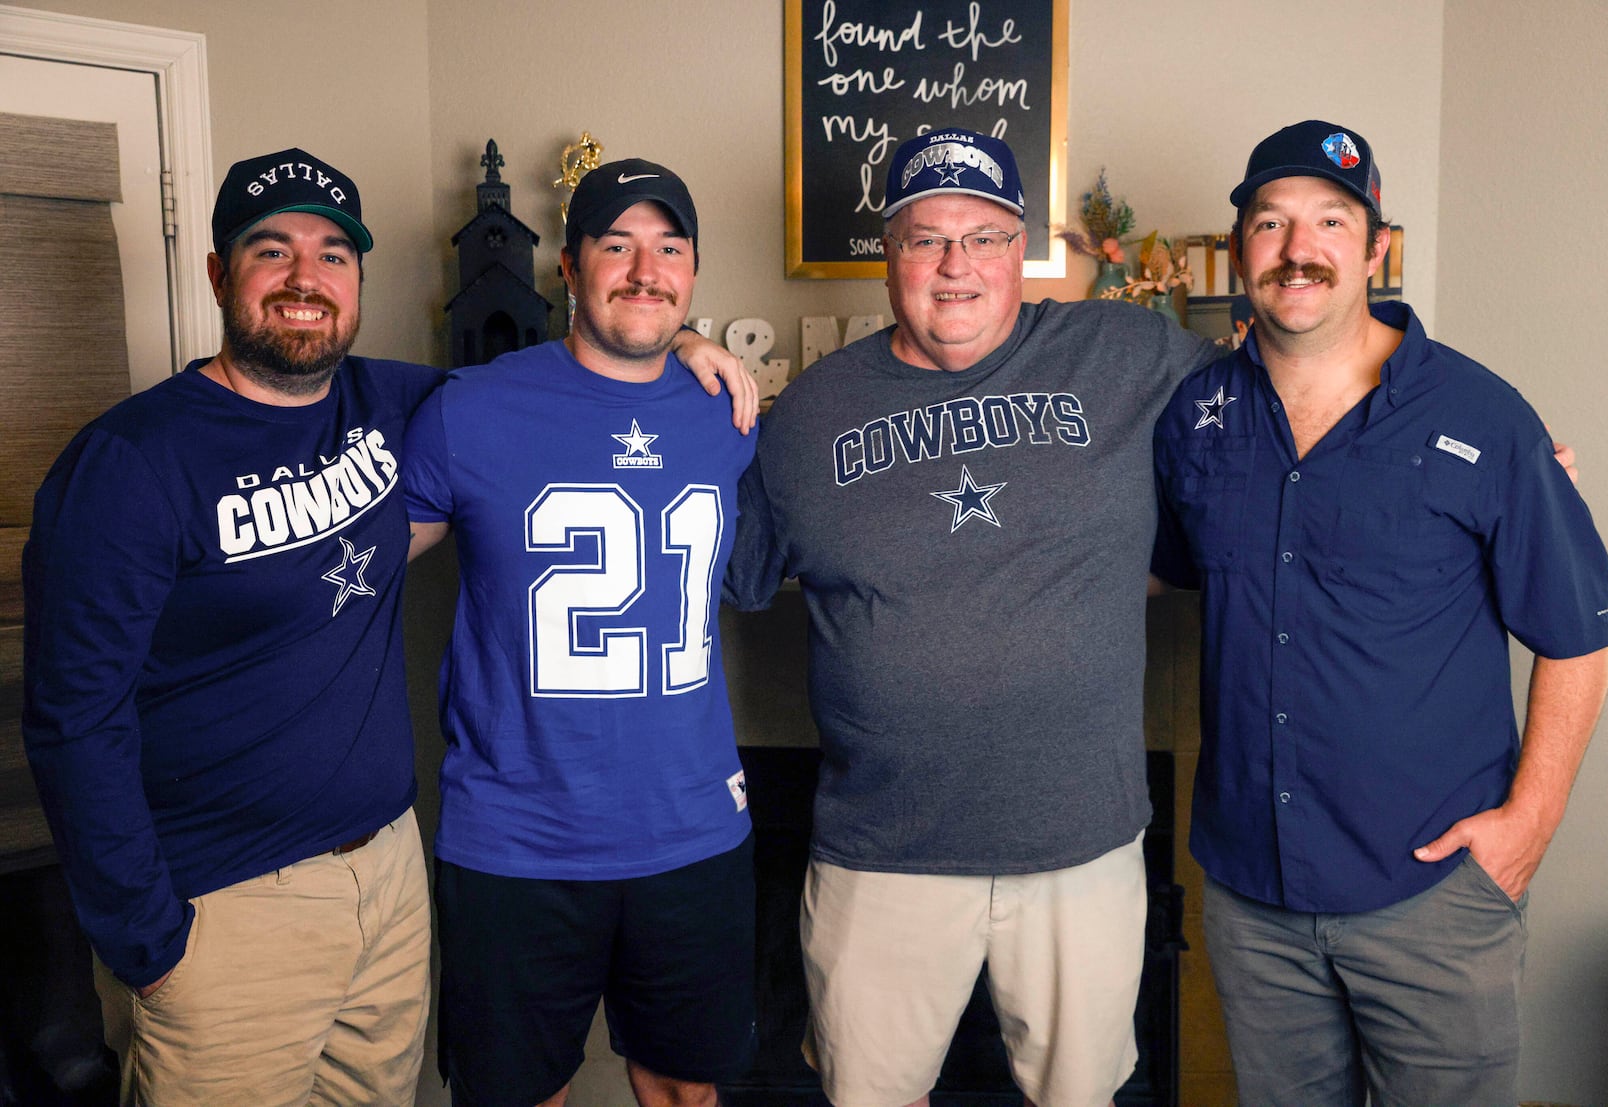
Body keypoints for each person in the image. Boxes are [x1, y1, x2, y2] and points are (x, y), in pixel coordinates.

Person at [21, 147, 755, 1107]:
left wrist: (690, 341)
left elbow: (614, 359)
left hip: (394, 869)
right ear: (217, 271)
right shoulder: (133, 460)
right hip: (241, 897)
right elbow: (73, 717)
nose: (303, 279)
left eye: (331, 256)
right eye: (269, 251)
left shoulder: (397, 403)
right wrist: (143, 937)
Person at [725, 128, 1223, 1107]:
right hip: (882, 858)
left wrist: (1482, 444)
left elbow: (1286, 392)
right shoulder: (812, 415)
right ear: (887, 257)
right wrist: (684, 355)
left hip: (1080, 850)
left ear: (1020, 250)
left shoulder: (1122, 355)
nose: (956, 265)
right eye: (926, 238)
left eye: (983, 237)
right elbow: (717, 570)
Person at [1151, 120, 1608, 1105]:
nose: (1298, 247)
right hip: (1250, 890)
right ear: (1240, 252)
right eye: (1270, 223)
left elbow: (1579, 635)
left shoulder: (1484, 418)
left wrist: (1528, 822)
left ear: (1375, 249)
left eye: (1330, 221)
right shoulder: (1194, 419)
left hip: (1431, 892)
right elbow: (1165, 570)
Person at [403, 159, 757, 1107]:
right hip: (516, 839)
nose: (645, 269)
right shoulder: (472, 407)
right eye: (617, 245)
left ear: (692, 272)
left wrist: (688, 344)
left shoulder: (731, 408)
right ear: (568, 266)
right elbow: (346, 569)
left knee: (686, 1088)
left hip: (690, 831)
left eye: (668, 247)